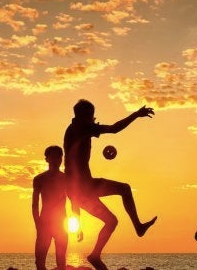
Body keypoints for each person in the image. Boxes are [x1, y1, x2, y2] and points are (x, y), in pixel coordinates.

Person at [63, 99, 157, 270]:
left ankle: (95, 255)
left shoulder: (74, 129)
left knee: (112, 221)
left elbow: (70, 178)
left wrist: (77, 220)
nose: (94, 118)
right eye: (92, 116)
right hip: (83, 187)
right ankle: (138, 227)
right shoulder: (84, 128)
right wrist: (136, 114)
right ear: (85, 116)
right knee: (125, 189)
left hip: (80, 189)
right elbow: (114, 129)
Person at [32, 145, 68, 270]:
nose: (56, 160)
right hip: (45, 223)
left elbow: (75, 200)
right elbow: (35, 204)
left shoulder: (66, 179)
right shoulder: (39, 179)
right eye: (53, 157)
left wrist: (77, 222)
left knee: (61, 261)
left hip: (61, 223)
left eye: (59, 157)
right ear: (47, 159)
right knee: (40, 262)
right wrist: (38, 224)